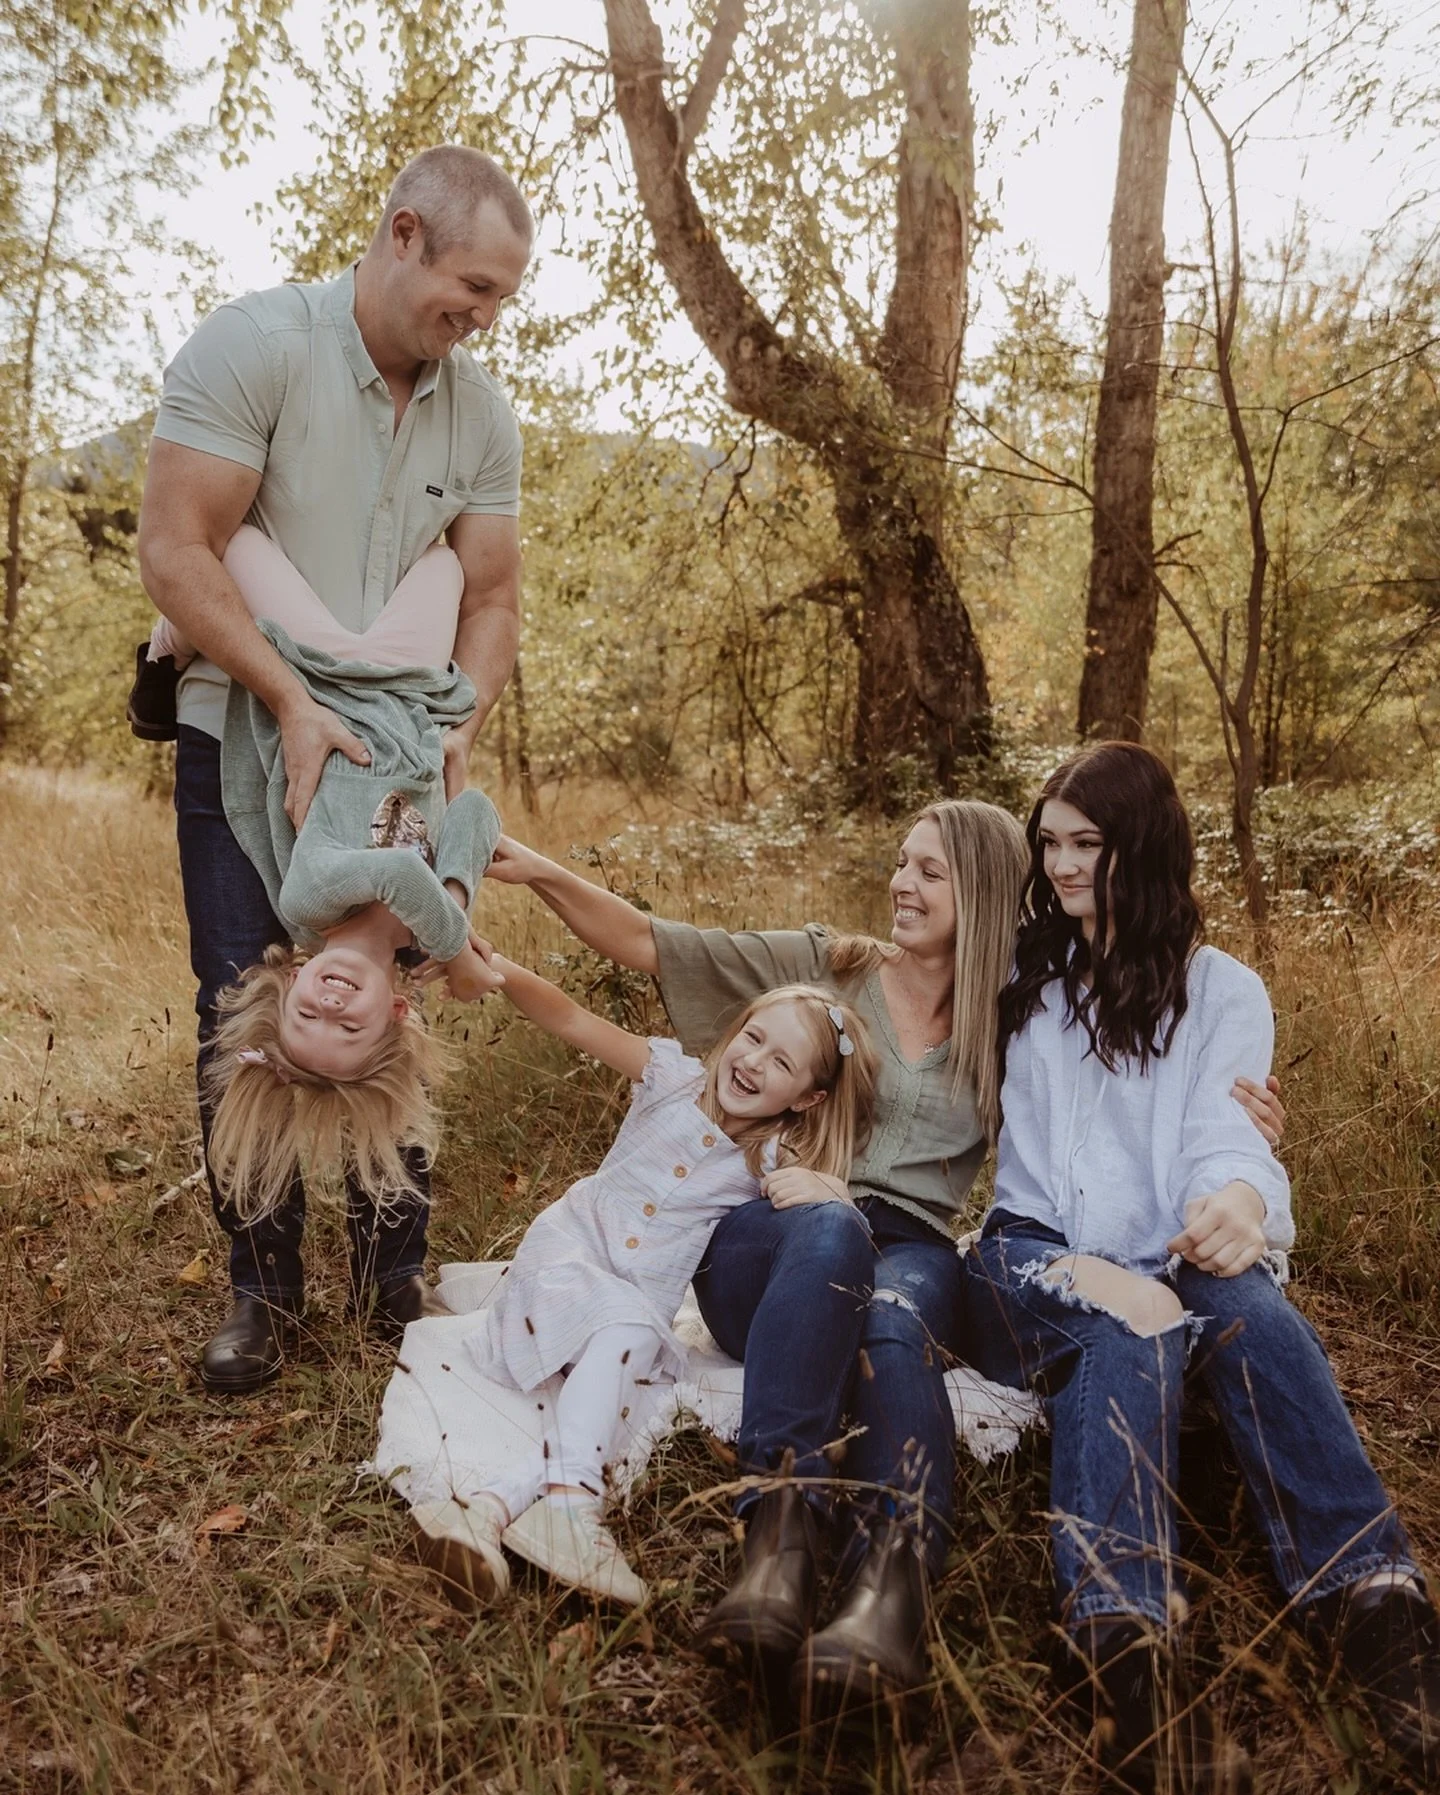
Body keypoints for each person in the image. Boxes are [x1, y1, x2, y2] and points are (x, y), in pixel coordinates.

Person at [484, 808, 1288, 1713]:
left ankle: (888, 1595)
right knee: (832, 1229)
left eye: (930, 873)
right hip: (775, 1235)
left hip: (912, 1244)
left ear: (981, 893)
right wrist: (537, 870)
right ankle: (778, 1549)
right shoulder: (832, 965)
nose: (902, 884)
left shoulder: (1016, 1010)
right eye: (903, 864)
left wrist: (1237, 1121)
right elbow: (651, 944)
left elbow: (1129, 1078)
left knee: (897, 1318)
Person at [963, 741, 1440, 1795]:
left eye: (1088, 844)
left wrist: (1240, 1202)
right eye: (1050, 843)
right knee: (1134, 1314)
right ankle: (1124, 1657)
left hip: (1168, 1253)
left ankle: (1377, 1610)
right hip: (1029, 1256)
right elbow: (906, 963)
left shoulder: (1224, 990)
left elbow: (1228, 1141)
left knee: (1252, 1310)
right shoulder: (1023, 976)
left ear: (1144, 845)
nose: (1062, 865)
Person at [135, 146, 532, 1393]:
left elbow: (492, 597)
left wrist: (460, 727)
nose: (484, 318)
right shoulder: (255, 346)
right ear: (403, 234)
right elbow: (176, 550)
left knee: (384, 992)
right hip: (241, 725)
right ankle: (261, 1291)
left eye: (501, 298)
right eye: (473, 287)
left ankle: (390, 1275)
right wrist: (292, 700)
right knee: (238, 1001)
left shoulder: (481, 416)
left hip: (397, 753)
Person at [411, 962, 876, 1610]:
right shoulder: (670, 1078)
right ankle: (573, 1508)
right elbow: (572, 1018)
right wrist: (498, 970)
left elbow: (822, 1226)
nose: (753, 1062)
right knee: (624, 1336)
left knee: (611, 1396)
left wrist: (833, 1190)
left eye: (782, 1063)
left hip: (631, 1310)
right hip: (569, 1259)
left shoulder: (770, 1157)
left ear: (808, 1099)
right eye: (753, 1037)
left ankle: (486, 1510)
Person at [186, 525, 504, 1224]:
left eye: (307, 1015)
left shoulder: (310, 904)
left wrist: (458, 951)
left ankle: (170, 645)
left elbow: (396, 873)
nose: (330, 1005)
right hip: (412, 687)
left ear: (294, 981)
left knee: (232, 544)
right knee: (445, 561)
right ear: (396, 1013)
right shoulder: (422, 934)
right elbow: (477, 812)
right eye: (348, 1028)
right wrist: (456, 895)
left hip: (322, 671)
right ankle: (176, 636)